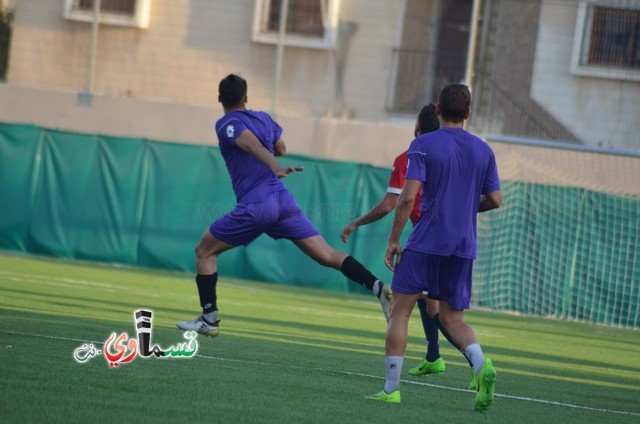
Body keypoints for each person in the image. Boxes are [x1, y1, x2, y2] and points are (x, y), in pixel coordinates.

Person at [176, 74, 391, 337]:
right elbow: (281, 146)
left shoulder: (226, 123)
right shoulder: (264, 118)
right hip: (282, 201)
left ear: (219, 98)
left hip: (258, 203)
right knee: (327, 254)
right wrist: (274, 158)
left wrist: (273, 165)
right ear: (246, 97)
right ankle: (377, 286)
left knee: (204, 251)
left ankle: (209, 319)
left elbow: (250, 143)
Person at [365, 83, 502, 412]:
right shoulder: (484, 151)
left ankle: (391, 389)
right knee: (453, 318)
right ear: (468, 113)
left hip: (428, 240)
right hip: (464, 245)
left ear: (437, 110)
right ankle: (482, 366)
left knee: (400, 311)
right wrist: (467, 208)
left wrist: (394, 240)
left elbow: (408, 198)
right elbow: (496, 200)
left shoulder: (423, 144)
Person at [341, 104, 449, 377]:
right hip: (454, 238)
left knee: (399, 300)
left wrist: (357, 223)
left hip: (426, 239)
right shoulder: (450, 156)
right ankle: (434, 355)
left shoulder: (409, 157)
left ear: (417, 129)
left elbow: (392, 203)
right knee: (429, 297)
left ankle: (474, 358)